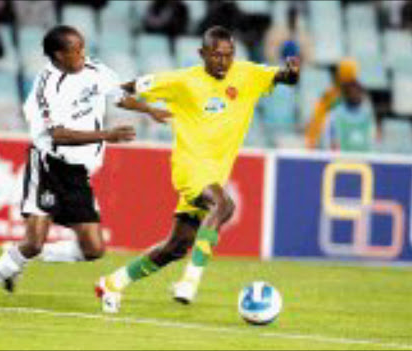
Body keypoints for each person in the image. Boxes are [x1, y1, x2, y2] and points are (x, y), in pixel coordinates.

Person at [95, 25, 301, 313]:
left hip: (215, 172)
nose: (223, 62)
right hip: (189, 167)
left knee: (176, 246)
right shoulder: (182, 81)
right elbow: (121, 91)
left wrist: (292, 71)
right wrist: (148, 109)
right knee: (224, 205)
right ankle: (189, 281)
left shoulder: (247, 74)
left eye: (228, 55)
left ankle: (113, 282)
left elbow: (283, 77)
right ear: (202, 54)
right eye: (216, 56)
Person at [0, 25, 169, 308]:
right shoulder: (47, 86)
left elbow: (117, 95)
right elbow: (59, 134)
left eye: (82, 47)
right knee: (35, 240)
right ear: (58, 55)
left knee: (94, 249)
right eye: (75, 50)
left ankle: (16, 255)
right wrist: (107, 135)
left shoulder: (94, 69)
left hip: (78, 174)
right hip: (49, 166)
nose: (82, 54)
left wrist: (150, 110)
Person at [305, 58, 361, 149]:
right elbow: (317, 118)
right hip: (330, 143)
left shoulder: (359, 97)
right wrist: (312, 139)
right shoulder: (330, 95)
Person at [325, 81, 377, 153]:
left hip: (364, 159)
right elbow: (332, 142)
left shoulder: (367, 113)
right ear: (346, 95)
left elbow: (372, 139)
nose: (355, 95)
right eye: (352, 93)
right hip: (341, 160)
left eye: (357, 93)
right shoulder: (336, 114)